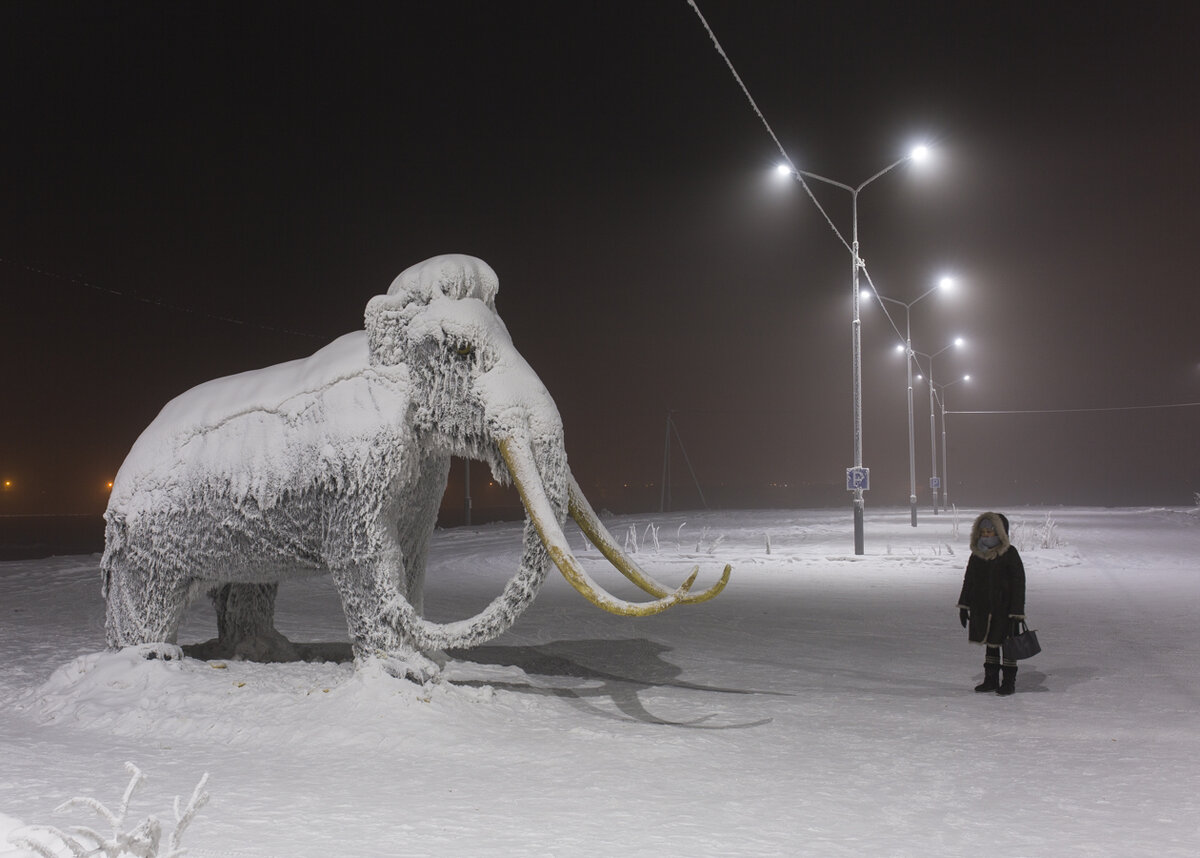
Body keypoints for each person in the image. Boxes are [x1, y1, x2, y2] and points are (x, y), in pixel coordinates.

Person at [956, 512, 1026, 695]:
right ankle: (991, 679)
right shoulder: (977, 554)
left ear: (1001, 533)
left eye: (990, 531)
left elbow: (1019, 583)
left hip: (1005, 609)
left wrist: (1017, 612)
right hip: (982, 608)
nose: (986, 535)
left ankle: (1009, 682)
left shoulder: (1009, 554)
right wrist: (964, 605)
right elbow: (969, 580)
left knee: (1007, 645)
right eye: (983, 532)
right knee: (990, 643)